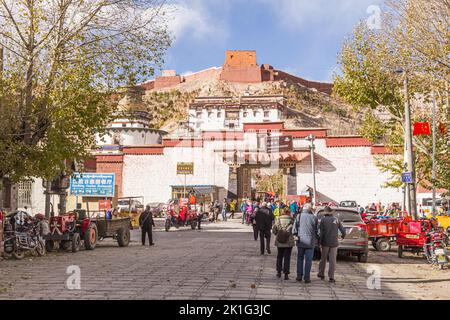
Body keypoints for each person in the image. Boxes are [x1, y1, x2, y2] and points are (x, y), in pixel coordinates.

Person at [317, 206, 346, 283]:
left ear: (325, 213)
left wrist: (319, 242)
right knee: (332, 260)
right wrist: (343, 236)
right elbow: (343, 230)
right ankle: (331, 277)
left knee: (323, 259)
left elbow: (321, 232)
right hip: (334, 243)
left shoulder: (323, 220)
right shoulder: (336, 219)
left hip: (325, 242)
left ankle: (321, 273)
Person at [293, 203, 318, 283]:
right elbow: (317, 230)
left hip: (301, 241)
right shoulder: (314, 217)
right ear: (310, 209)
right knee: (308, 260)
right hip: (310, 241)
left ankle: (299, 276)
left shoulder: (299, 216)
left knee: (300, 258)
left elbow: (294, 229)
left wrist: (296, 235)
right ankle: (307, 277)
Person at [272, 208, 295, 280]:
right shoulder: (292, 220)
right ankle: (286, 274)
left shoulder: (278, 219)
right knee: (287, 257)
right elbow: (294, 230)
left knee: (279, 256)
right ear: (289, 213)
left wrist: (278, 234)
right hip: (288, 241)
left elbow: (274, 229)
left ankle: (278, 272)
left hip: (280, 241)